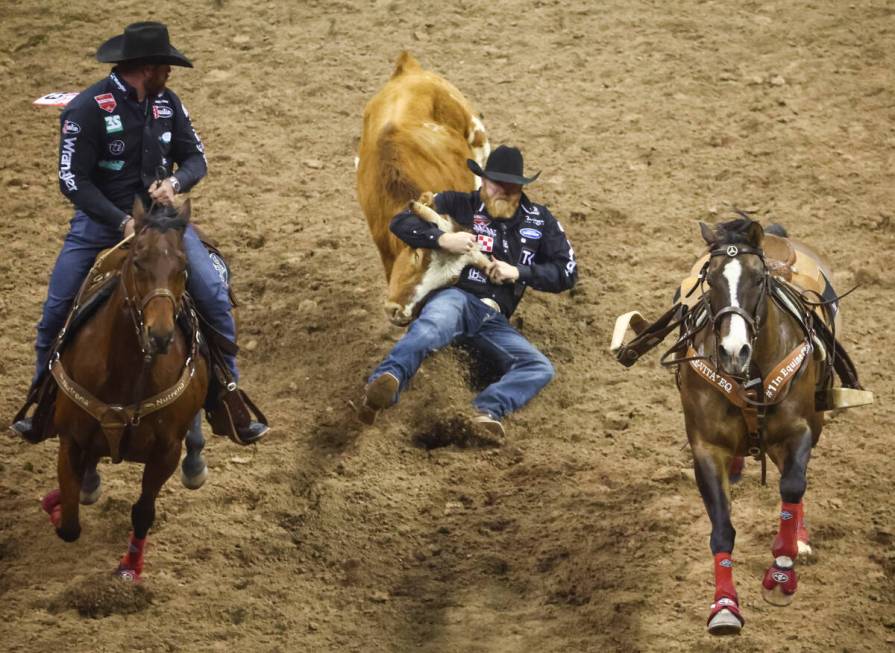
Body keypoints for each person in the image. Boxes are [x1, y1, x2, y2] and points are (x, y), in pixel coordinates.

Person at [10, 22, 267, 444]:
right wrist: (120, 221)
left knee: (213, 295)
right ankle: (43, 404)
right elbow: (72, 181)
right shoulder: (87, 109)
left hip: (163, 225)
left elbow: (195, 158)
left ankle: (230, 399)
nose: (170, 72)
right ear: (147, 67)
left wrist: (176, 183)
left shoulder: (168, 103)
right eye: (166, 65)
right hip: (100, 227)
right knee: (56, 310)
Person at [359, 145, 578, 439]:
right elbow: (401, 221)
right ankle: (388, 381)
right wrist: (442, 239)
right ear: (483, 182)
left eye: (510, 186)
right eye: (495, 184)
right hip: (458, 298)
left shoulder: (540, 220)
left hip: (495, 319)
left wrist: (519, 272)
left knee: (539, 368)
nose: (502, 191)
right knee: (432, 326)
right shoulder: (458, 203)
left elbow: (567, 272)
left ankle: (486, 410)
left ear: (521, 187)